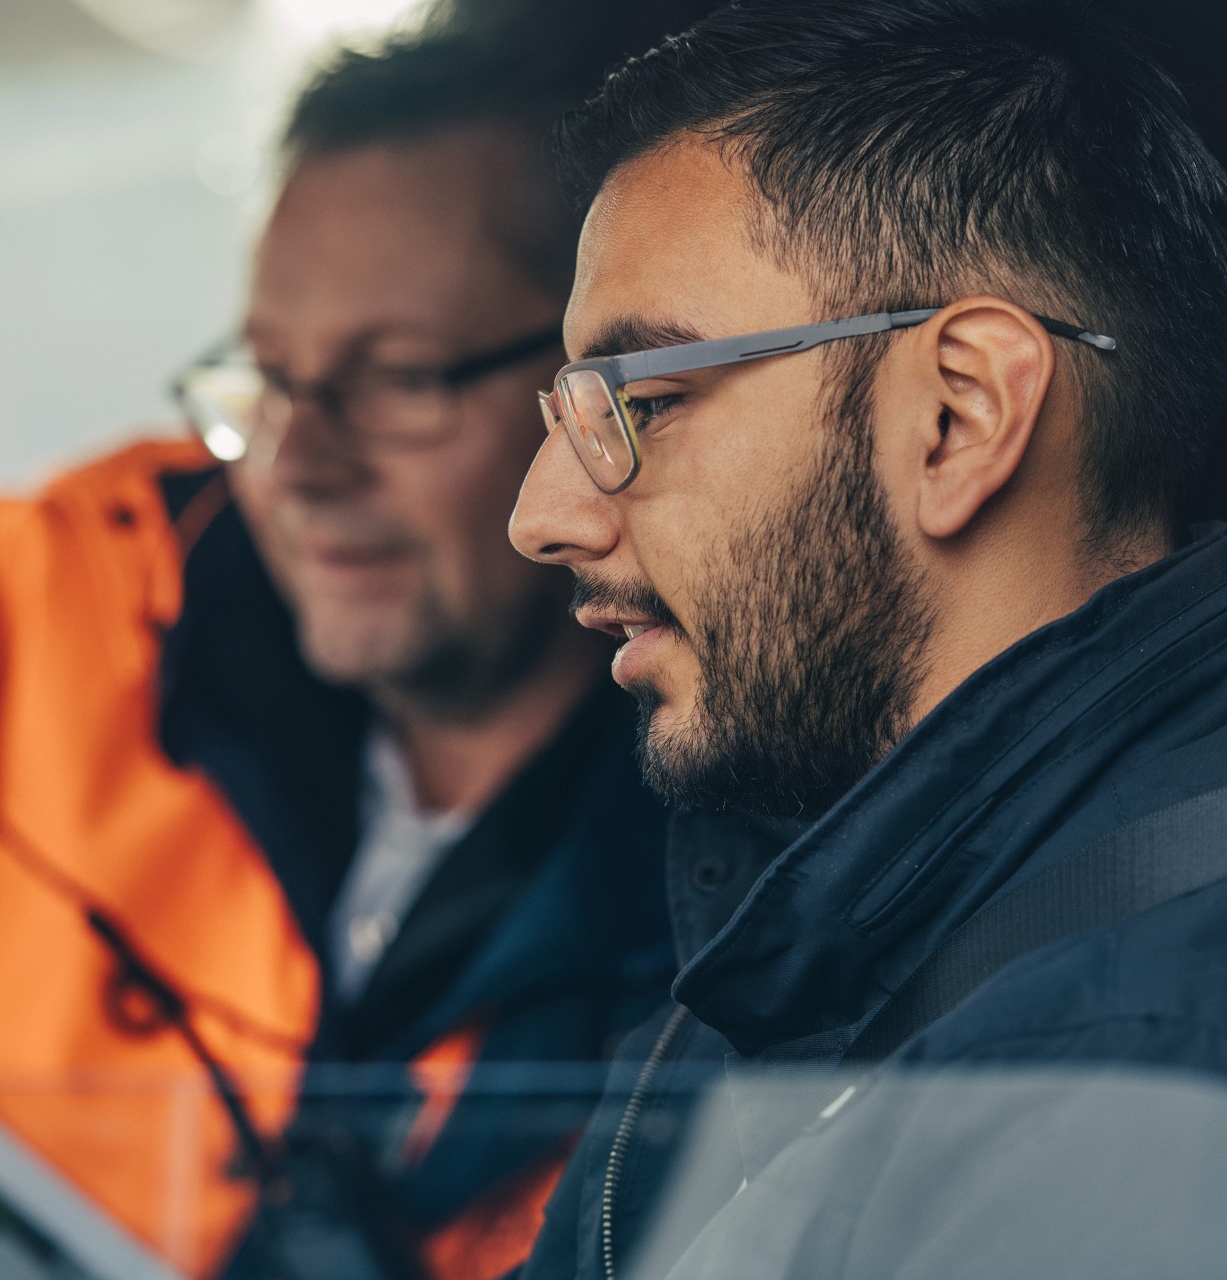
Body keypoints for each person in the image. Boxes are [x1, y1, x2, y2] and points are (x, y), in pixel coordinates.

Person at [0, 18, 718, 1280]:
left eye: (400, 379)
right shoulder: (75, 589)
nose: (298, 466)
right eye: (269, 376)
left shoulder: (746, 859)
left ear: (603, 383)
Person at [508, 1, 1227, 1276]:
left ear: (955, 416)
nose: (542, 516)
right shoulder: (801, 954)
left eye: (643, 402)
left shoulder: (1128, 1085)